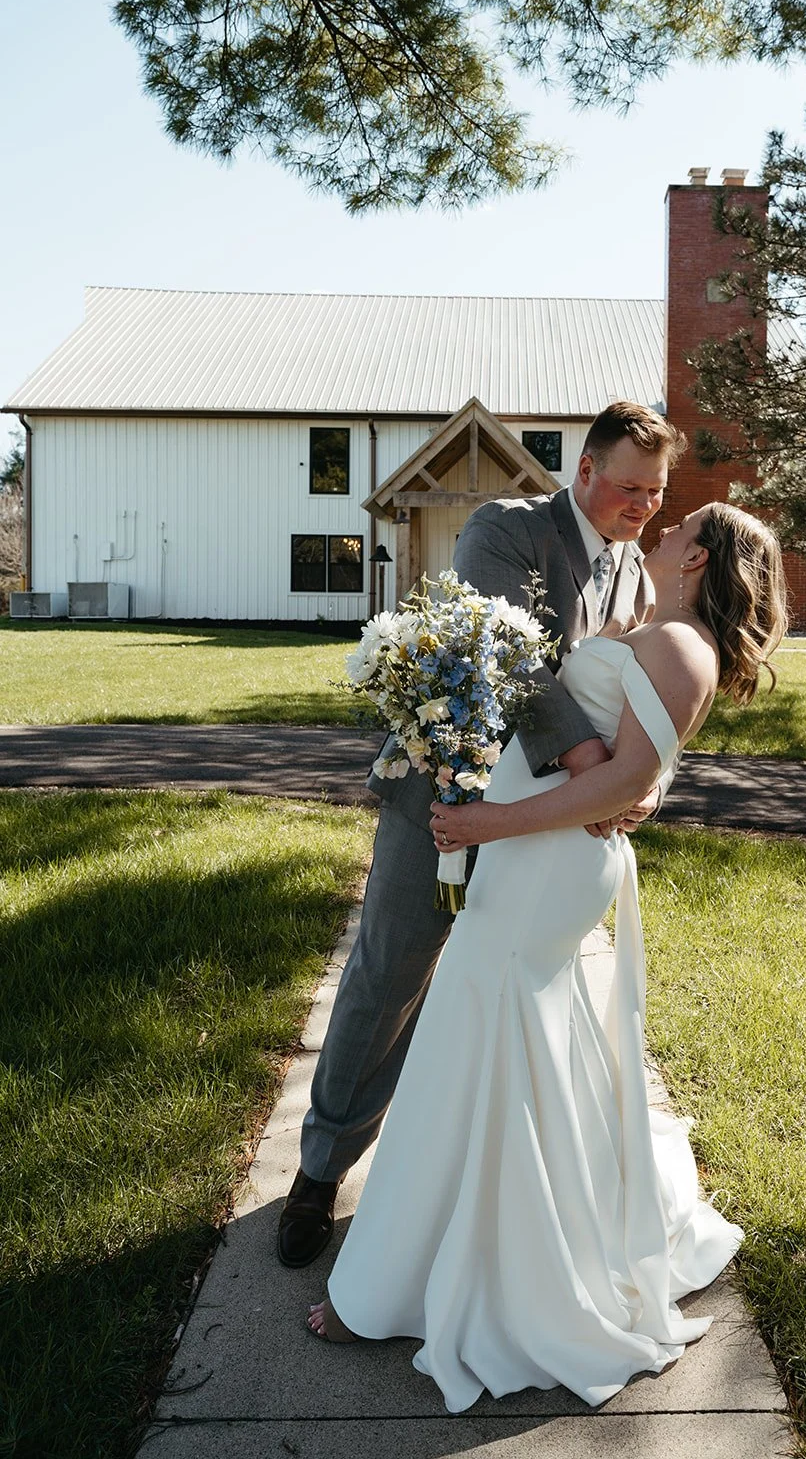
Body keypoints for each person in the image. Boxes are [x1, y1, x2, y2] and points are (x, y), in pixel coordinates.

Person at [306, 501, 789, 1412]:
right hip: (537, 857)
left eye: (681, 524)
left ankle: (399, 1287)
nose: (662, 525)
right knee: (499, 1046)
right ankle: (479, 1248)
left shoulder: (681, 645)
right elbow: (609, 756)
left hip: (544, 864)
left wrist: (490, 821)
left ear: (700, 555)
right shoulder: (659, 628)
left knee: (468, 1038)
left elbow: (628, 778)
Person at [278, 402, 687, 1268]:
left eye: (656, 492)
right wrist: (593, 773)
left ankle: (450, 1186)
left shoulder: (635, 574)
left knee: (495, 991)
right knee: (389, 975)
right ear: (583, 471)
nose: (643, 505)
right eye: (628, 487)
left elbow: (637, 703)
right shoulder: (504, 530)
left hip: (541, 831)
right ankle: (318, 1172)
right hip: (444, 795)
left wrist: (635, 786)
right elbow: (518, 669)